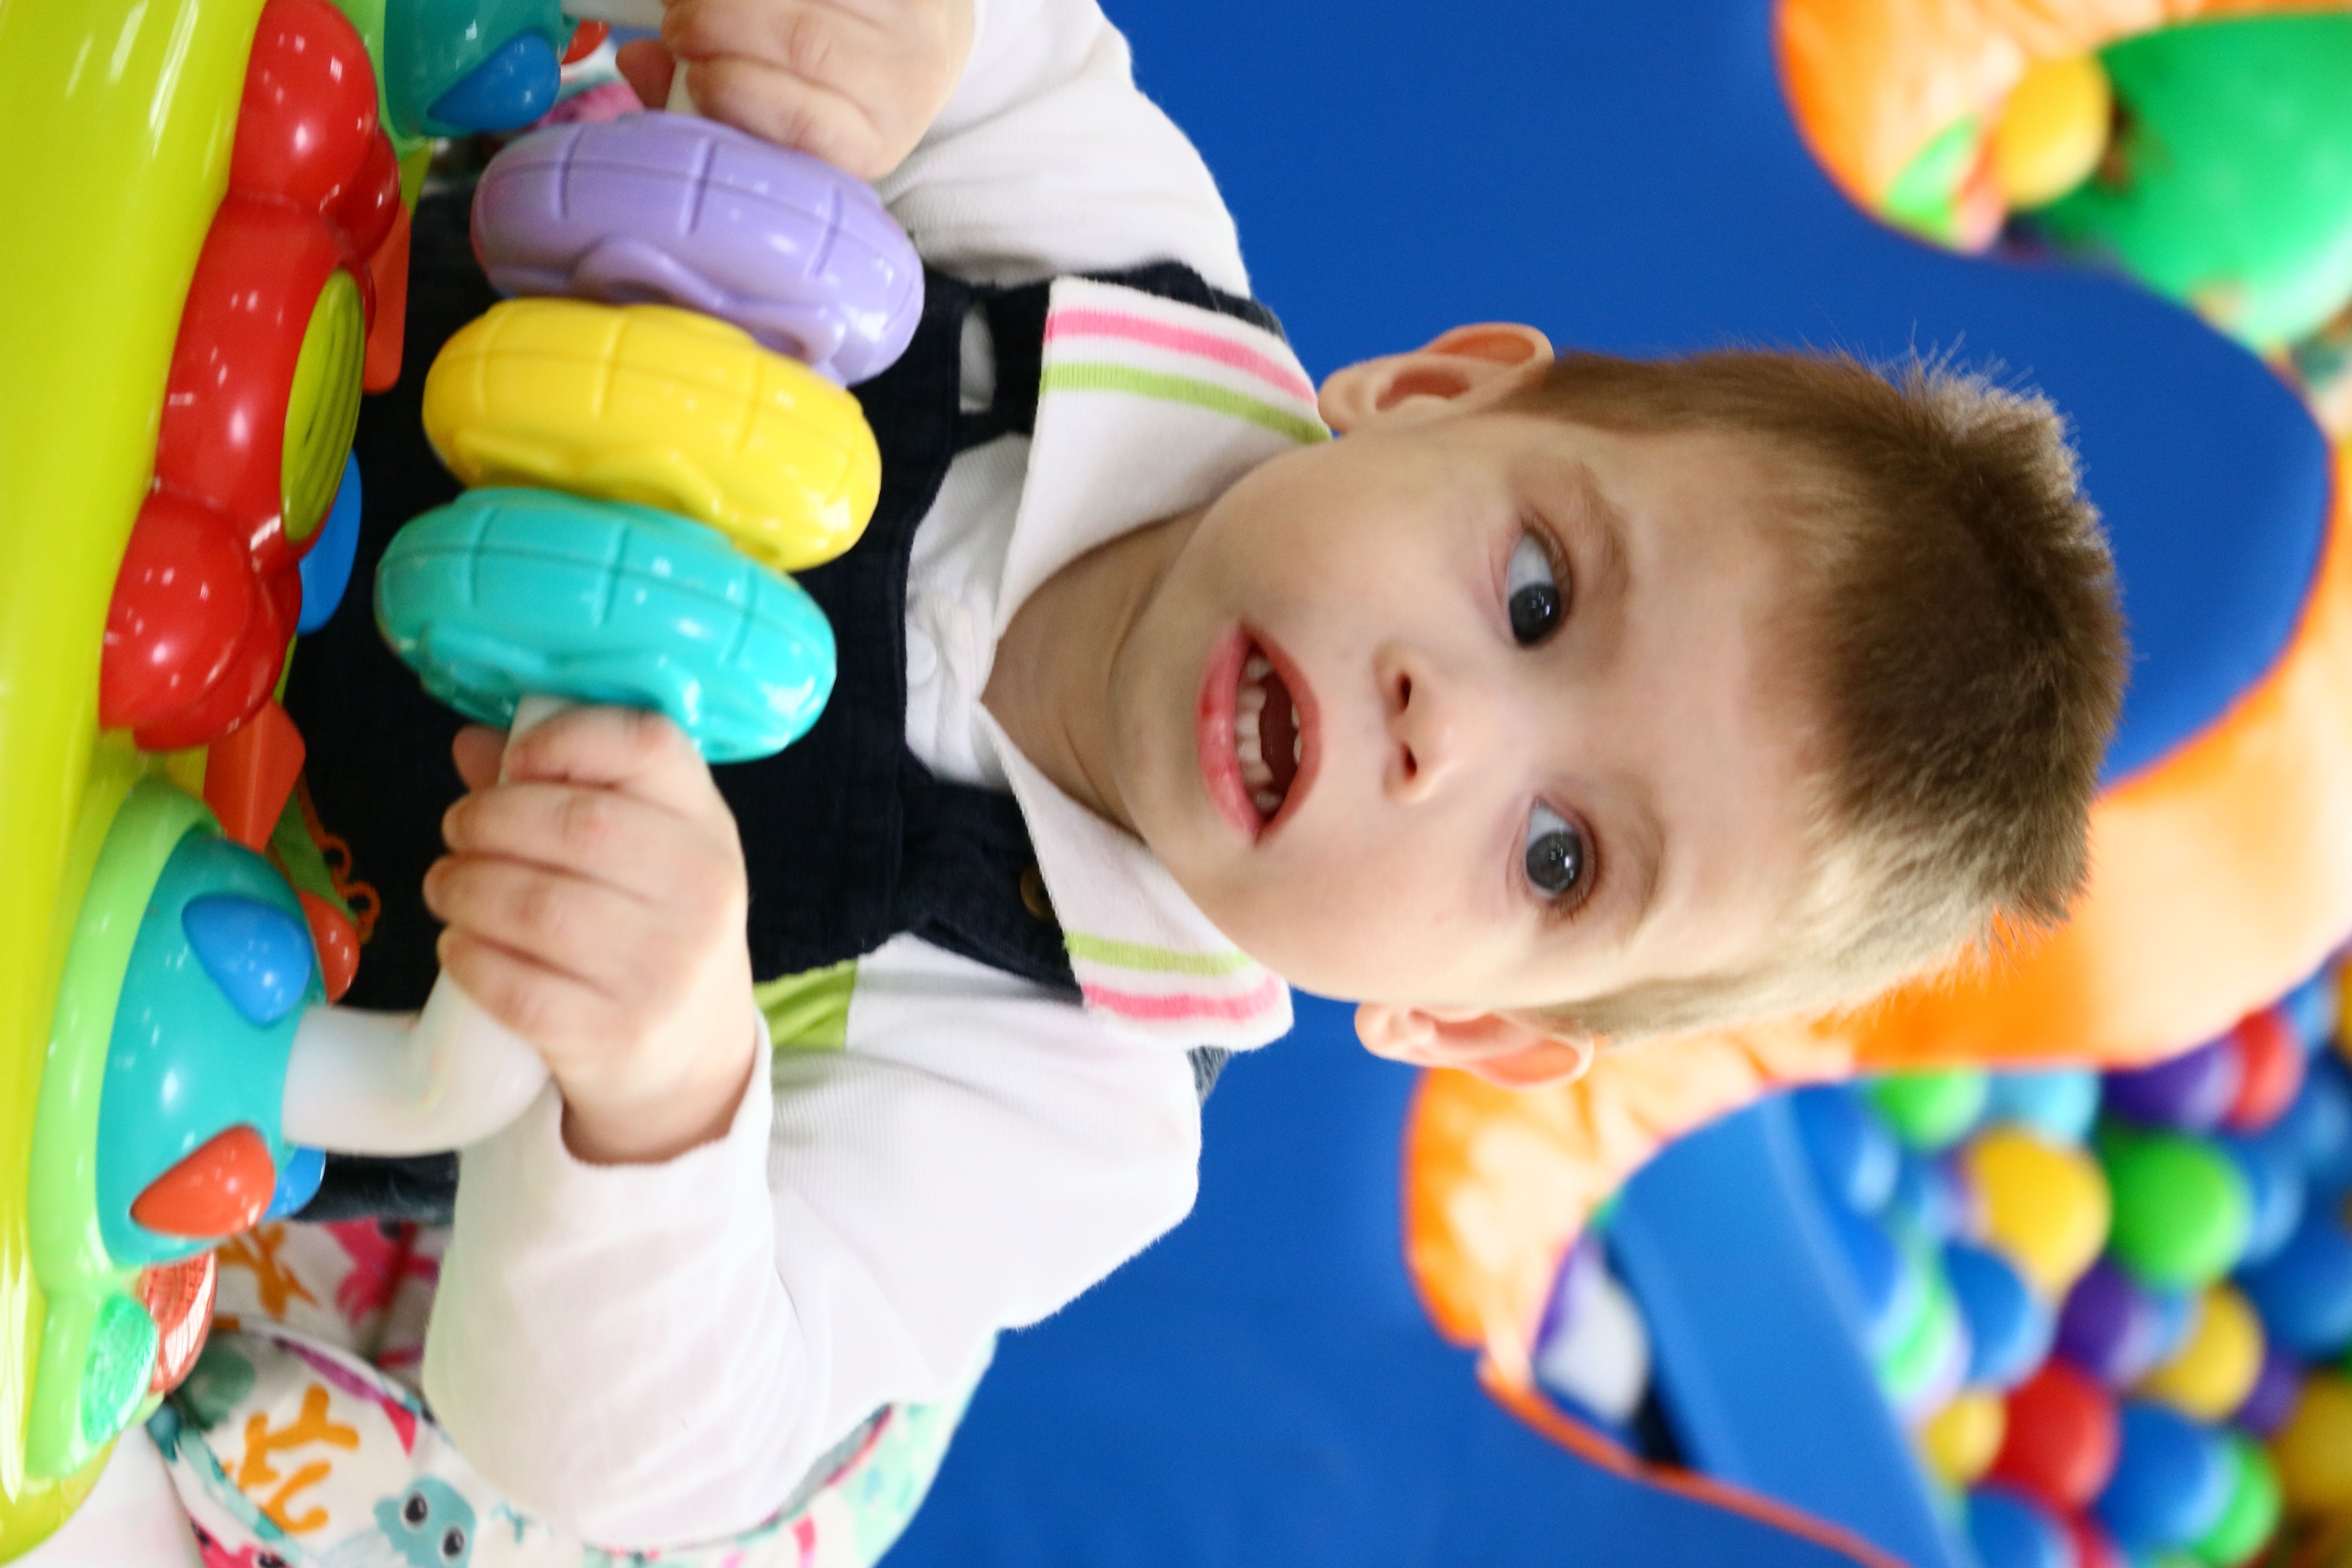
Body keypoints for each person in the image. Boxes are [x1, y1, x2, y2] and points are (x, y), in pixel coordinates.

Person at [152, 0, 2125, 1557]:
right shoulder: (1090, 229)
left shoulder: (1068, 1110)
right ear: (1428, 396)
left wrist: (659, 1091)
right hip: (239, 309)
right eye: (1537, 594)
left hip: (195, 927)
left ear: (1462, 1021)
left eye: (1556, 856)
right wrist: (861, 44)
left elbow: (616, 1444)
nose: (1445, 727)